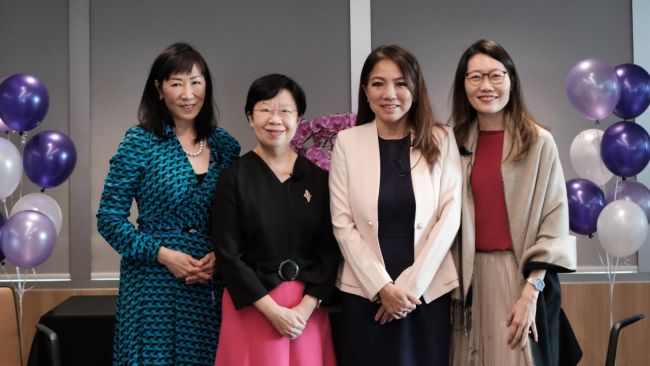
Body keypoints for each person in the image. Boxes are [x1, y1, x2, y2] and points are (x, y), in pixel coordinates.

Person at [97, 42, 240, 365]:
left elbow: (236, 219)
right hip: (152, 282)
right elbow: (109, 219)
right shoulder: (140, 142)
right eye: (176, 83)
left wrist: (221, 256)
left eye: (195, 82)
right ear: (159, 89)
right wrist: (162, 255)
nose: (188, 94)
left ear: (207, 86)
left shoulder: (226, 146)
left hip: (207, 283)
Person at [449, 39, 580, 365]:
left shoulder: (537, 142)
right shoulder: (453, 142)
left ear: (511, 80)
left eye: (496, 75)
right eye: (475, 77)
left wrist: (531, 292)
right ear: (463, 84)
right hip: (466, 281)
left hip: (520, 277)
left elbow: (554, 221)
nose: (486, 86)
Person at [329, 44, 462, 366]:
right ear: (365, 90)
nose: (390, 93)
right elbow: (342, 223)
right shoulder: (347, 141)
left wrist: (408, 287)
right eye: (378, 83)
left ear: (415, 89)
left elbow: (450, 216)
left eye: (401, 83)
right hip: (364, 293)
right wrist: (382, 288)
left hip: (426, 293)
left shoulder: (442, 139)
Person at [211, 74, 340, 366]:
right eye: (265, 109)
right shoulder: (234, 178)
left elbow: (331, 250)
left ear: (299, 116)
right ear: (249, 117)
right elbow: (228, 254)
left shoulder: (319, 179)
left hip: (306, 310)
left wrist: (305, 308)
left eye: (285, 110)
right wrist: (273, 312)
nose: (275, 119)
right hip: (253, 306)